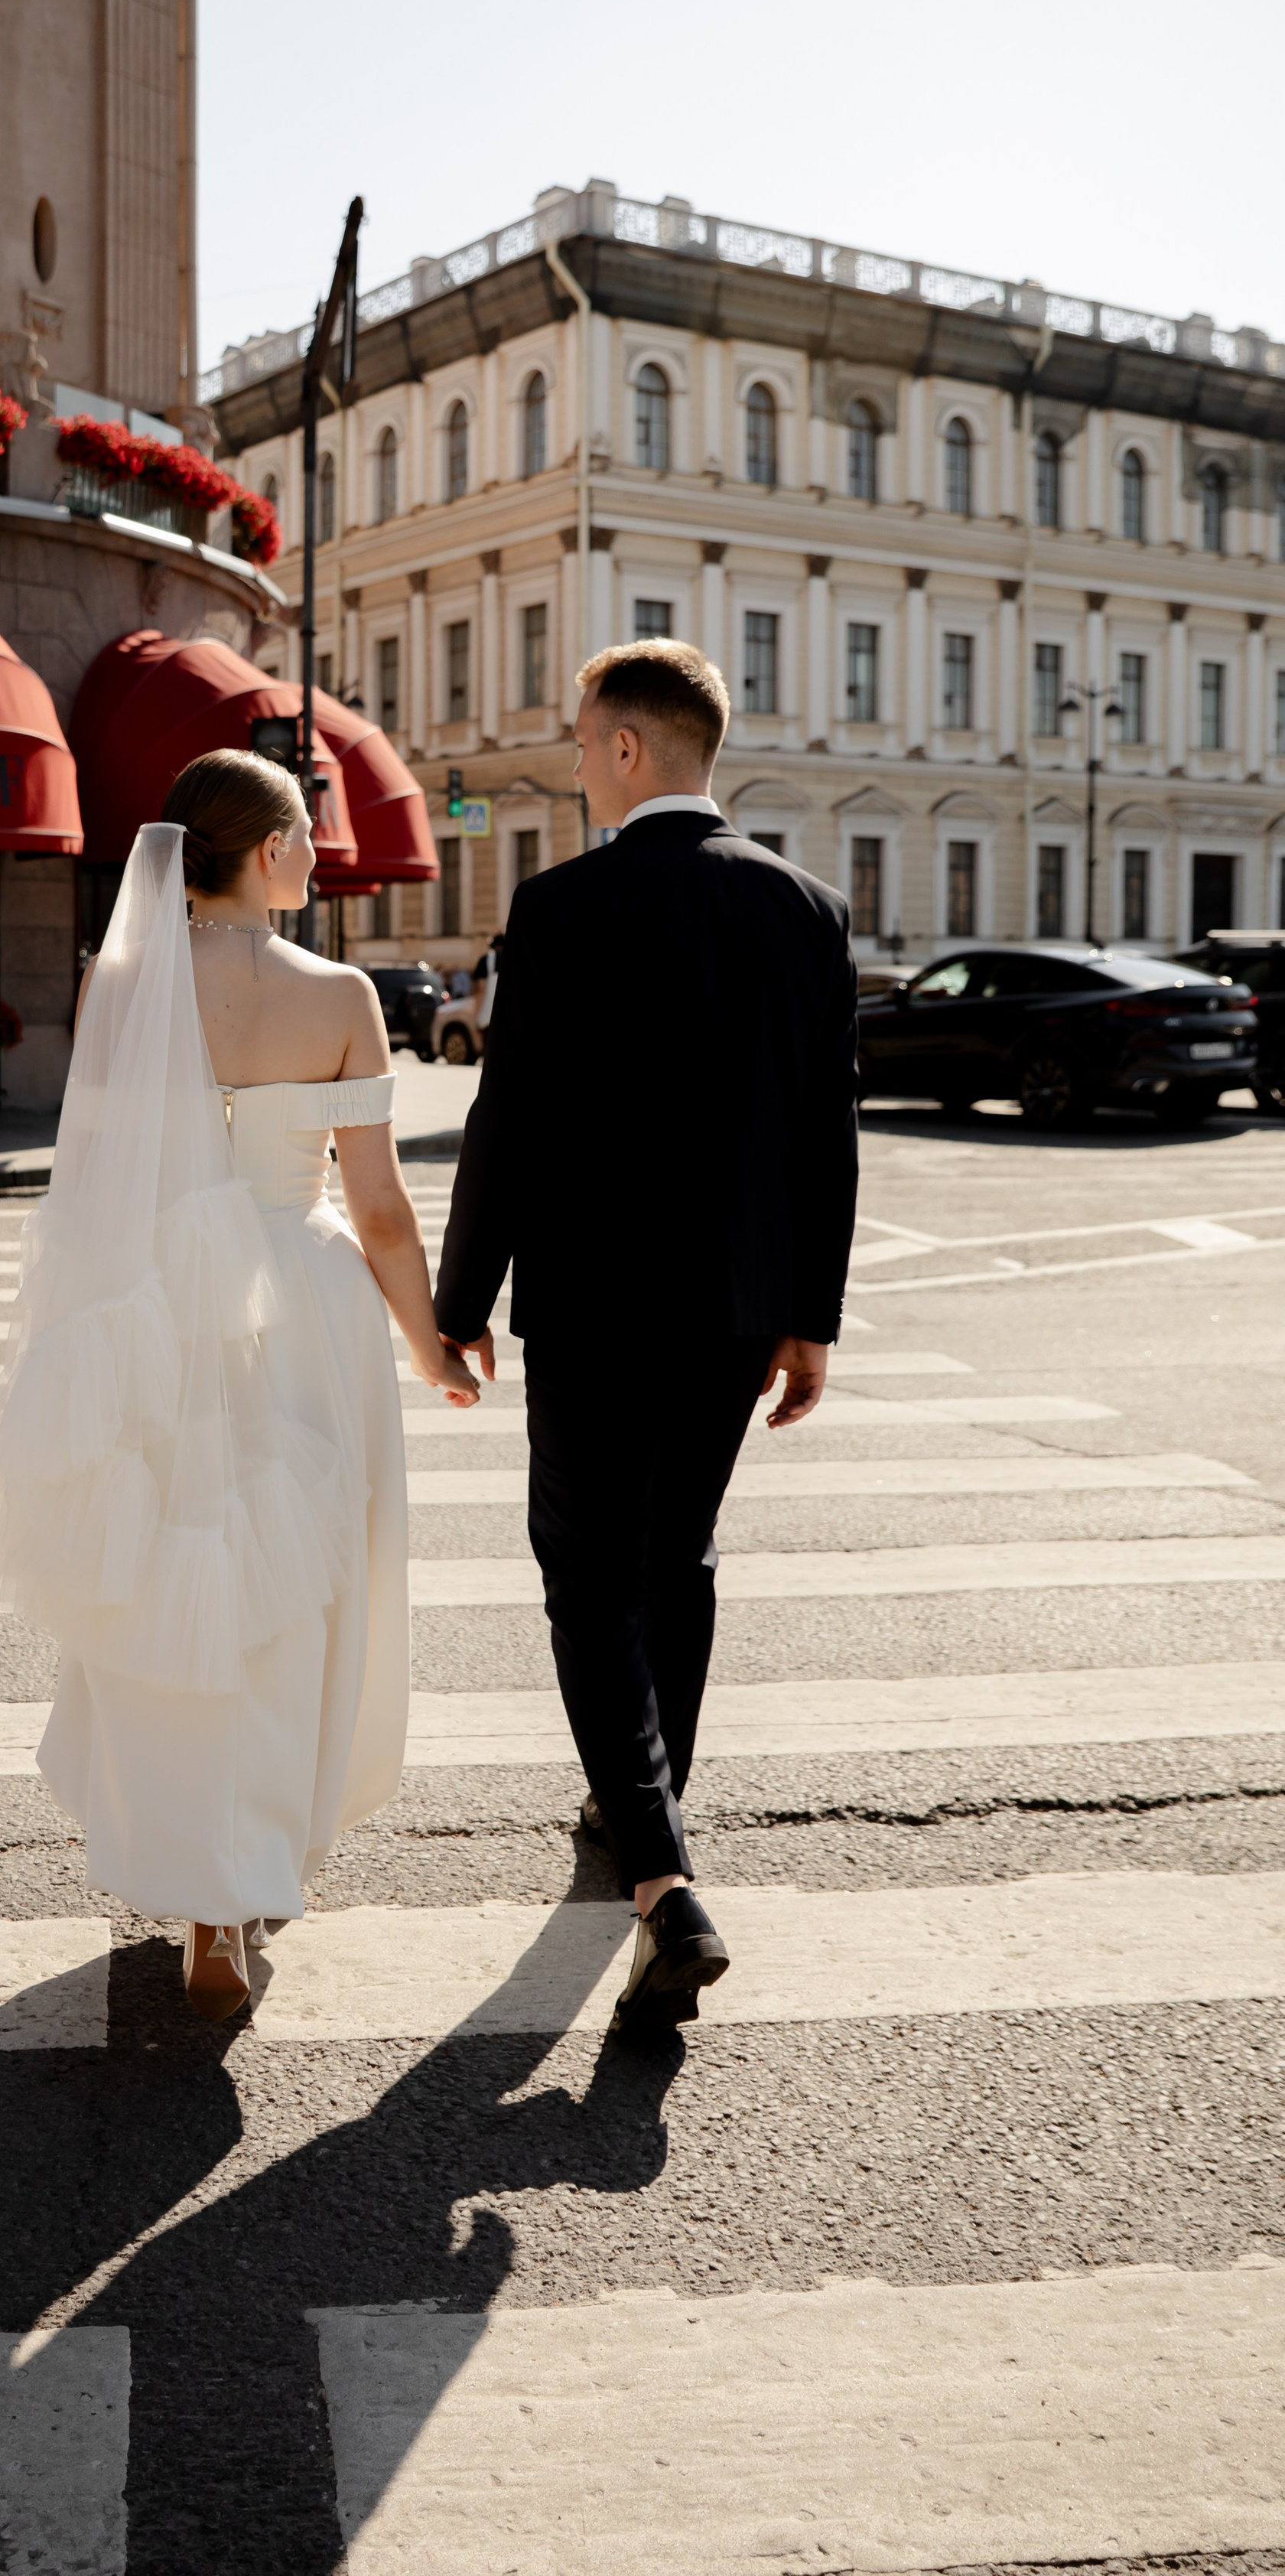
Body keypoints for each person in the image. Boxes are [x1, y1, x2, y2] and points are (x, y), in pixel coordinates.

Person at [0, 748, 479, 2021]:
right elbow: (381, 1210)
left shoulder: (121, 983)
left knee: (163, 1576)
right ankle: (243, 1879)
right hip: (302, 1304)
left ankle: (200, 1890)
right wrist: (431, 1345)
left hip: (157, 1311)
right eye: (305, 833)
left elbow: (98, 1177)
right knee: (293, 1591)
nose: (317, 854)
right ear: (264, 846)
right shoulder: (338, 993)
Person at [433, 638, 858, 2040]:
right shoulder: (807, 908)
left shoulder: (560, 907)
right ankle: (644, 1799)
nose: (574, 765)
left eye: (579, 742)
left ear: (626, 748)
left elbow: (507, 1125)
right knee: (679, 1555)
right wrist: (810, 1320)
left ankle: (663, 1878)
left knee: (584, 1570)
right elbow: (826, 1134)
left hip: (595, 1304)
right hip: (738, 1305)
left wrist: (460, 1302)